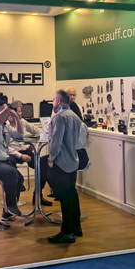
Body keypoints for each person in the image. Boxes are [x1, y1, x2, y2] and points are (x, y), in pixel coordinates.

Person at [46, 89, 82, 244]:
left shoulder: (59, 117)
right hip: (73, 161)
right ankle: (76, 227)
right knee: (72, 194)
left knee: (65, 198)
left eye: (54, 100)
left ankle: (67, 232)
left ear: (59, 101)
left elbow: (56, 142)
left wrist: (51, 159)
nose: (53, 102)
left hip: (61, 163)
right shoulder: (75, 117)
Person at [8, 100, 52, 206]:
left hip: (25, 151)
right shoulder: (5, 125)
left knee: (42, 165)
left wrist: (33, 146)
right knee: (10, 166)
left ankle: (37, 196)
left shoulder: (22, 121)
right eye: (19, 111)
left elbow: (38, 131)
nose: (21, 113)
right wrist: (20, 155)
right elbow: (5, 146)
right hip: (12, 153)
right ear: (11, 113)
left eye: (20, 111)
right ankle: (12, 200)